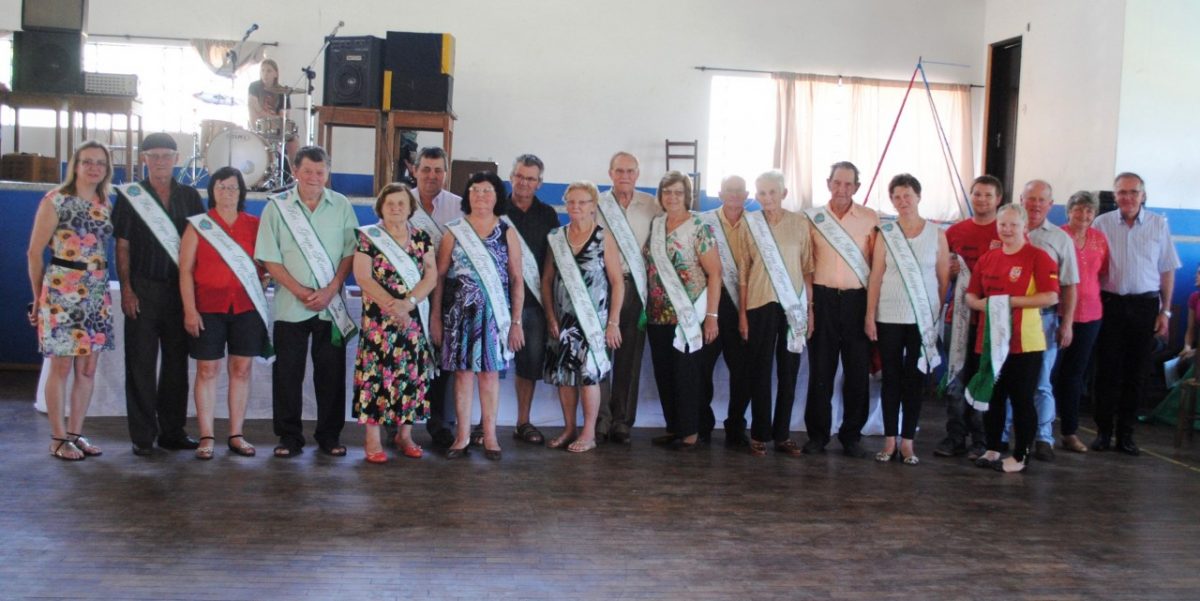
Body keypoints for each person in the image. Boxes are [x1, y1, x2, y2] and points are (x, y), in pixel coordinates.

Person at [255, 146, 359, 458]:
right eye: (308, 171)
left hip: (331, 307)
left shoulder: (341, 205)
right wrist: (300, 290)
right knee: (287, 374)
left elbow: (350, 253)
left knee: (331, 375)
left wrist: (332, 288)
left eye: (320, 171)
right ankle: (289, 437)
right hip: (290, 305)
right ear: (296, 171)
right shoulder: (277, 207)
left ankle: (329, 436)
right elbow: (269, 258)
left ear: (328, 173)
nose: (314, 177)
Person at [113, 132, 205, 456]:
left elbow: (200, 246)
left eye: (167, 155)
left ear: (177, 159)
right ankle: (142, 435)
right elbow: (122, 245)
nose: (161, 161)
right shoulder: (131, 197)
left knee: (176, 366)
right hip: (143, 288)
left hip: (179, 292)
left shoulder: (191, 197)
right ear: (144, 159)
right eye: (154, 156)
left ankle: (172, 432)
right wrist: (126, 289)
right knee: (140, 364)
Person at [26, 141, 116, 460]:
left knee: (88, 368)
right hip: (63, 290)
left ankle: (76, 434)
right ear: (75, 165)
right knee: (61, 365)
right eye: (87, 161)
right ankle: (57, 437)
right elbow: (35, 252)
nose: (94, 167)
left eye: (101, 163)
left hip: (96, 291)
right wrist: (38, 296)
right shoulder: (56, 201)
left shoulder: (106, 202)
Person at [430, 171, 524, 461]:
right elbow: (440, 277)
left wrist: (517, 322)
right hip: (458, 317)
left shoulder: (507, 231)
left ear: (497, 196)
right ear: (467, 195)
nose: (481, 195)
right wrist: (435, 317)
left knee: (489, 375)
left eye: (487, 190)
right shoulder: (454, 231)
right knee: (462, 375)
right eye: (475, 190)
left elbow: (517, 280)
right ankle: (462, 436)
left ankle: (491, 435)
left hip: (495, 317)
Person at [178, 167, 267, 460]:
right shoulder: (199, 226)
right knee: (207, 371)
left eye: (232, 187)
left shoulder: (255, 225)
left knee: (241, 370)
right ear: (212, 191)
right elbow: (186, 270)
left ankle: (236, 434)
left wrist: (264, 277)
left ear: (242, 192)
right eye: (221, 187)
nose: (227, 192)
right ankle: (206, 436)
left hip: (246, 308)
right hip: (208, 309)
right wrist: (190, 310)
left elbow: (266, 265)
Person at [1091, 172, 1181, 455]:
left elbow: (1167, 270)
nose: (1127, 197)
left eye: (1133, 192)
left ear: (1143, 195)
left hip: (1145, 306)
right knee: (1106, 371)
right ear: (1114, 195)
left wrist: (1165, 312)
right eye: (1121, 192)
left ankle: (1126, 435)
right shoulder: (1101, 224)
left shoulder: (1158, 225)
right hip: (1110, 304)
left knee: (1136, 373)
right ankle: (1103, 432)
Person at [966, 203, 1060, 473]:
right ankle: (993, 447)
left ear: (1024, 227)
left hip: (1024, 343)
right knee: (993, 396)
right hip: (989, 341)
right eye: (1002, 225)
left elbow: (1051, 295)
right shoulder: (988, 258)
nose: (1007, 230)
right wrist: (981, 305)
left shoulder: (1038, 257)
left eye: (1013, 225)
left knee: (1021, 399)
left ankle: (1021, 456)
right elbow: (971, 294)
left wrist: (1008, 302)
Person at [864, 174, 950, 465]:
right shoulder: (886, 231)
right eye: (897, 197)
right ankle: (889, 440)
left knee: (914, 379)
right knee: (890, 378)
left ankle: (908, 443)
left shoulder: (936, 234)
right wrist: (870, 315)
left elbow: (942, 280)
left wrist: (932, 313)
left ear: (918, 196)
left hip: (922, 320)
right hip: (888, 315)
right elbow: (876, 276)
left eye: (907, 195)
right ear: (892, 201)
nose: (903, 201)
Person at [352, 183, 438, 463]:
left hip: (412, 321)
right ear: (381, 208)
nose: (396, 208)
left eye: (402, 203)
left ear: (410, 208)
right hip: (379, 321)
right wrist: (393, 306)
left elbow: (431, 276)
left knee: (410, 376)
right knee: (376, 377)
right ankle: (372, 439)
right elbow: (363, 278)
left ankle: (405, 435)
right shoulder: (368, 237)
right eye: (390, 204)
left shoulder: (422, 238)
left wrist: (408, 304)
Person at [541, 181, 625, 453]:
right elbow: (547, 280)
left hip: (594, 322)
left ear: (593, 206)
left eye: (583, 202)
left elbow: (617, 282)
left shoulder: (604, 237)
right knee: (565, 376)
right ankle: (569, 429)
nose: (576, 207)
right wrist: (551, 317)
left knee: (589, 376)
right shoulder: (556, 236)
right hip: (562, 320)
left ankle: (588, 433)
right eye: (571, 202)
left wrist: (613, 322)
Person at [803, 161, 880, 457]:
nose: (842, 189)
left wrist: (871, 311)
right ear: (828, 183)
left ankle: (851, 435)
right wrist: (810, 306)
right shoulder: (812, 218)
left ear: (857, 187)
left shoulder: (870, 218)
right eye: (837, 183)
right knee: (821, 370)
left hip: (856, 301)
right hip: (822, 300)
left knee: (857, 371)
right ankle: (818, 435)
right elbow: (807, 265)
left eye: (848, 184)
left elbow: (876, 267)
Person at [736, 170, 813, 456]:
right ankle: (759, 433)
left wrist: (810, 311)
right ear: (756, 196)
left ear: (784, 193)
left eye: (772, 192)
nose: (767, 198)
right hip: (758, 303)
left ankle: (782, 434)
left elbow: (807, 268)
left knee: (789, 371)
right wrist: (742, 314)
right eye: (762, 193)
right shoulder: (750, 223)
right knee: (760, 370)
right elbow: (743, 271)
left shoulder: (800, 223)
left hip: (793, 307)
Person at [644, 171, 722, 450]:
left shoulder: (699, 225)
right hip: (658, 314)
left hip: (691, 316)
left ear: (687, 196)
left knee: (688, 375)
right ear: (660, 196)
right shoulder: (656, 224)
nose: (672, 197)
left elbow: (715, 273)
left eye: (678, 192)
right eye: (667, 192)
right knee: (665, 374)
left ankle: (692, 431)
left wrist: (712, 317)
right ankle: (675, 427)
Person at [596, 151, 663, 444]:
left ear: (638, 174)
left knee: (629, 357)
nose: (625, 176)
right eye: (619, 171)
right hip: (601, 286)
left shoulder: (652, 205)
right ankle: (600, 418)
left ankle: (622, 421)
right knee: (599, 355)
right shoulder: (596, 203)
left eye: (630, 171)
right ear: (610, 173)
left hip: (636, 287)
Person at [493, 154, 559, 447]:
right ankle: (486, 424)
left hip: (533, 301)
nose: (524, 182)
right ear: (511, 177)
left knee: (529, 363)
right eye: (520, 176)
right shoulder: (495, 209)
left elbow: (552, 259)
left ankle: (523, 421)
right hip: (496, 300)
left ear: (540, 183)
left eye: (531, 178)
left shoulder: (548, 215)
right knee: (489, 363)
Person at [936, 175, 1004, 460]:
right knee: (956, 379)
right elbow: (940, 270)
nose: (982, 200)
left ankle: (982, 439)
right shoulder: (956, 232)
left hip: (992, 321)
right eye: (977, 194)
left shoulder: (1006, 230)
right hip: (959, 317)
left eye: (988, 195)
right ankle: (955, 437)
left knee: (985, 379)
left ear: (998, 199)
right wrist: (949, 273)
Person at [1017, 180, 1079, 461]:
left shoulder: (1059, 239)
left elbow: (1069, 285)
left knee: (1041, 381)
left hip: (1044, 320)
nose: (1036, 204)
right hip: (1009, 318)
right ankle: (1006, 433)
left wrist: (1066, 323)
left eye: (1042, 200)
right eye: (1031, 199)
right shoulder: (1007, 230)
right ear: (1021, 200)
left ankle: (1043, 437)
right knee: (1008, 379)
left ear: (1051, 205)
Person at [408, 146, 463, 448]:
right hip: (406, 291)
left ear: (446, 173)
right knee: (405, 356)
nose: (432, 175)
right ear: (414, 170)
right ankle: (398, 423)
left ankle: (440, 423)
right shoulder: (399, 201)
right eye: (426, 169)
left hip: (446, 291)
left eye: (438, 170)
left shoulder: (459, 206)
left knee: (443, 358)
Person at [699, 175, 753, 447]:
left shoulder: (757, 225)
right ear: (720, 194)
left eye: (739, 191)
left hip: (744, 305)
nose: (734, 195)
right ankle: (703, 425)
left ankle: (735, 427)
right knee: (703, 368)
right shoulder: (704, 221)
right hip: (711, 305)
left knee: (742, 371)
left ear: (747, 195)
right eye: (729, 191)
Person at [1054, 191, 1109, 453]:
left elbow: (1104, 273)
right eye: (1078, 209)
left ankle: (1069, 432)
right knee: (1047, 374)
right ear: (1069, 211)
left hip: (1091, 316)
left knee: (1074, 376)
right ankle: (1038, 431)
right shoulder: (1057, 235)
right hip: (1057, 313)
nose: (1084, 215)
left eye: (1089, 210)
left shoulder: (1100, 239)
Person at [247, 59, 298, 164]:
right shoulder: (254, 87)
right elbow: (256, 108)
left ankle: (295, 172)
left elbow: (285, 116)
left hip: (276, 129)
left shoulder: (283, 92)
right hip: (258, 127)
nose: (265, 74)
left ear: (276, 73)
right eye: (263, 70)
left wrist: (279, 119)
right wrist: (274, 117)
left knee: (294, 140)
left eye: (269, 71)